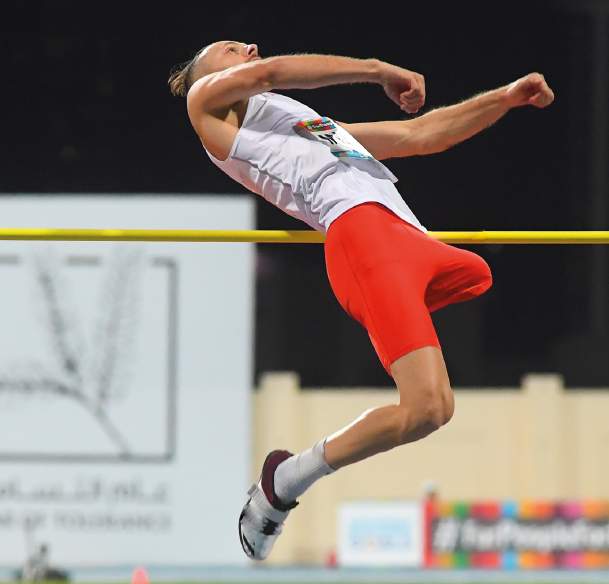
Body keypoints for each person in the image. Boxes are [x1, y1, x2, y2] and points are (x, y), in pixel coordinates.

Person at [168, 42, 554, 560]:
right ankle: (284, 481)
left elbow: (419, 134)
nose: (250, 48)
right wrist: (379, 70)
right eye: (231, 49)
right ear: (205, 75)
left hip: (406, 239)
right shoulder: (205, 105)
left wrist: (504, 99)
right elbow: (275, 71)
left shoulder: (310, 127)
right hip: (360, 237)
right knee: (428, 408)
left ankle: (288, 474)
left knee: (439, 395)